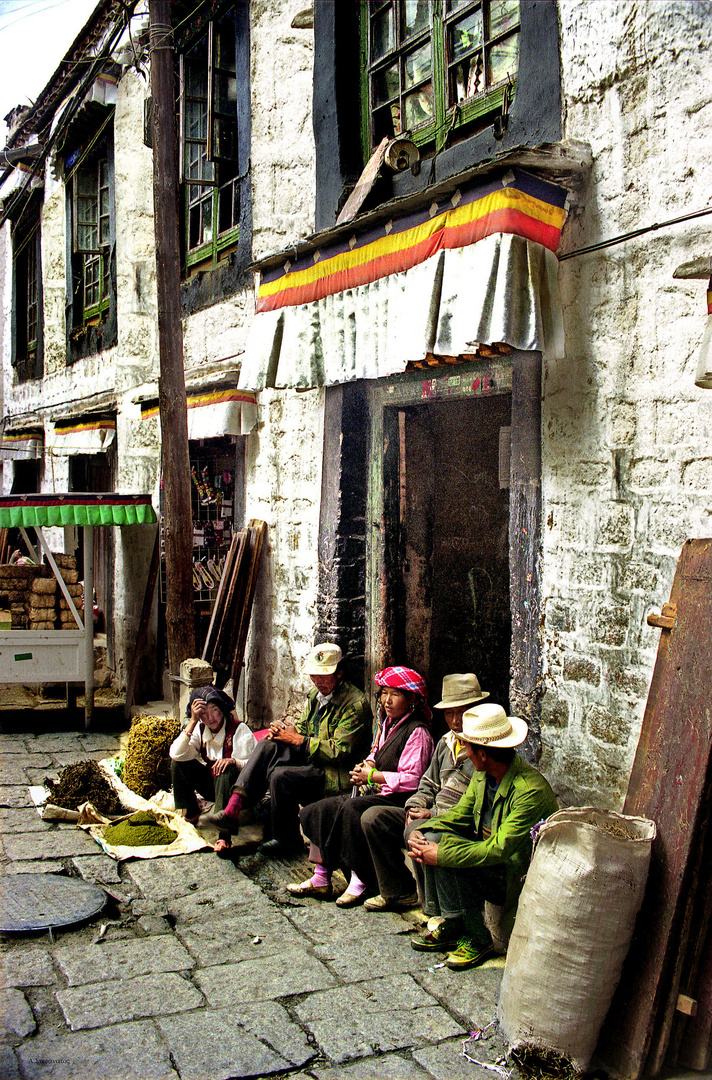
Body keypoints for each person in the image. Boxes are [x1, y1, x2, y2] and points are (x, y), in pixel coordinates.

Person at [408, 702, 558, 970]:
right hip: (490, 855)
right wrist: (422, 831)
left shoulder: (528, 791)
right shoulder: (483, 775)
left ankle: (479, 938)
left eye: (467, 748)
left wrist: (442, 854)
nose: (465, 753)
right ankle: (453, 923)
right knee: (433, 836)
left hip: (514, 872)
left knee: (445, 852)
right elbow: (460, 815)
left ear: (482, 755)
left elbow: (500, 849)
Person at [201, 642, 372, 857]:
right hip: (313, 758)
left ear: (339, 674)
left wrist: (299, 740)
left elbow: (341, 751)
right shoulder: (314, 696)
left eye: (324, 676)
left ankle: (251, 818)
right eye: (314, 676)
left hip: (336, 772)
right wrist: (285, 730)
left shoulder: (355, 704)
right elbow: (303, 727)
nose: (318, 681)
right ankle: (237, 810)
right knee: (269, 744)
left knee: (281, 775)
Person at [290, 665, 435, 906]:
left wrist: (373, 776)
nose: (387, 701)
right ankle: (321, 877)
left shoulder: (418, 732)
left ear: (411, 700)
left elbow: (413, 778)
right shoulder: (388, 723)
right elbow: (375, 752)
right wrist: (364, 767)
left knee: (350, 810)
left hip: (400, 799)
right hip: (379, 792)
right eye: (384, 694)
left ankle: (361, 879)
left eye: (395, 695)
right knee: (317, 809)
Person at [360, 672, 488, 912]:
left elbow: (474, 801)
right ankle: (397, 891)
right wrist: (415, 805)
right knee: (373, 818)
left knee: (419, 833)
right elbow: (427, 782)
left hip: (456, 818)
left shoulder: (483, 750)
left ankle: (436, 909)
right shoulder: (445, 742)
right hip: (431, 811)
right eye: (449, 713)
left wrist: (433, 813)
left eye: (462, 712)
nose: (455, 720)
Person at [169, 685, 257, 856]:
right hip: (215, 788)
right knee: (178, 764)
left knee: (225, 769)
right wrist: (193, 721)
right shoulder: (200, 729)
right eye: (203, 714)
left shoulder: (239, 730)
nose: (210, 718)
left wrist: (233, 761)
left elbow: (254, 766)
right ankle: (191, 811)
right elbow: (176, 753)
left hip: (237, 792)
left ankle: (224, 835)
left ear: (222, 710)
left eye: (214, 710)